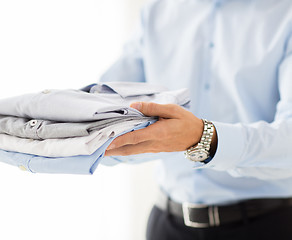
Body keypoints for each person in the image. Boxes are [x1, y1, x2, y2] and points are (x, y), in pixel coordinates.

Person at [100, 0, 292, 239]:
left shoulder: (285, 14)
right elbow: (105, 105)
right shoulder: (157, 11)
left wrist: (204, 138)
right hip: (166, 224)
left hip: (264, 226)